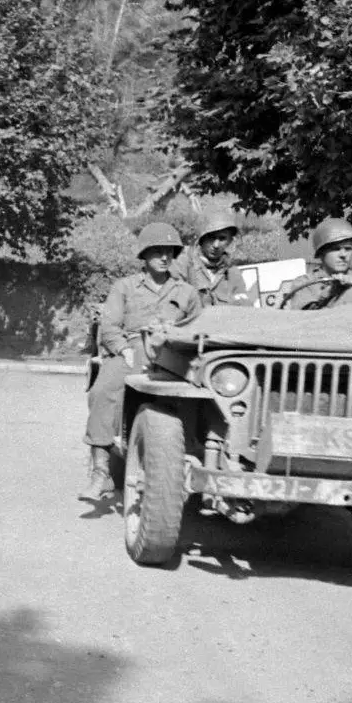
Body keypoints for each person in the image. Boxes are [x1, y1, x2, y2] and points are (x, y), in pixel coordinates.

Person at [81, 222, 203, 502]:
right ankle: (101, 473)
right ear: (144, 256)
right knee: (102, 392)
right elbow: (109, 325)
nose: (164, 257)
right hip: (134, 348)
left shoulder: (187, 292)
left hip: (175, 353)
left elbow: (200, 326)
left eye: (169, 252)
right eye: (157, 251)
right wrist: (123, 349)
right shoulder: (125, 287)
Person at [275, 218, 352, 310]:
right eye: (336, 249)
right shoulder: (305, 284)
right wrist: (331, 292)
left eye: (348, 249)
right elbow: (305, 323)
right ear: (321, 253)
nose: (343, 254)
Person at [171, 215, 255, 307]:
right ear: (201, 239)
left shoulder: (232, 272)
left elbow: (245, 308)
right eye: (211, 237)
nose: (216, 245)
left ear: (229, 241)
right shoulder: (183, 265)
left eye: (222, 238)